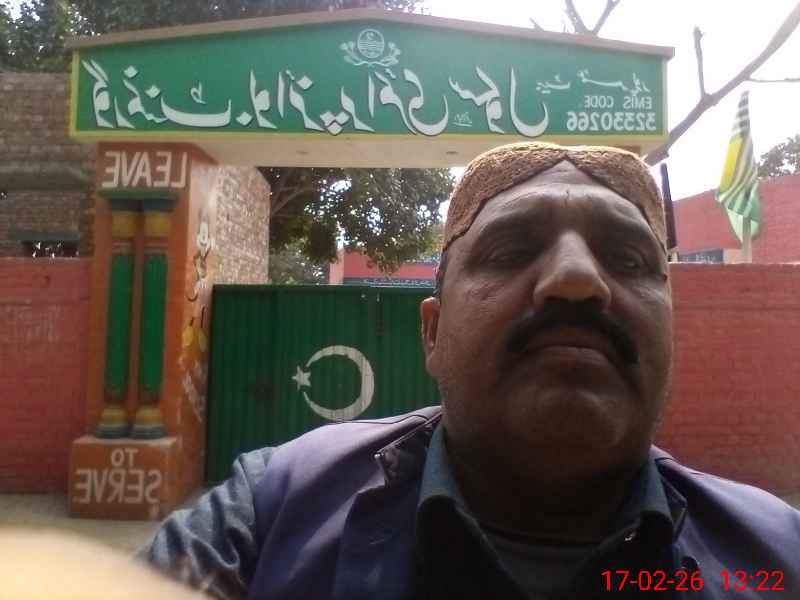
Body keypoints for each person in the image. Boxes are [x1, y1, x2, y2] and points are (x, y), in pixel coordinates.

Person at [142, 142, 800, 599]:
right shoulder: (271, 515)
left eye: (628, 260)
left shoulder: (776, 558)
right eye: (511, 249)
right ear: (432, 332)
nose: (576, 278)